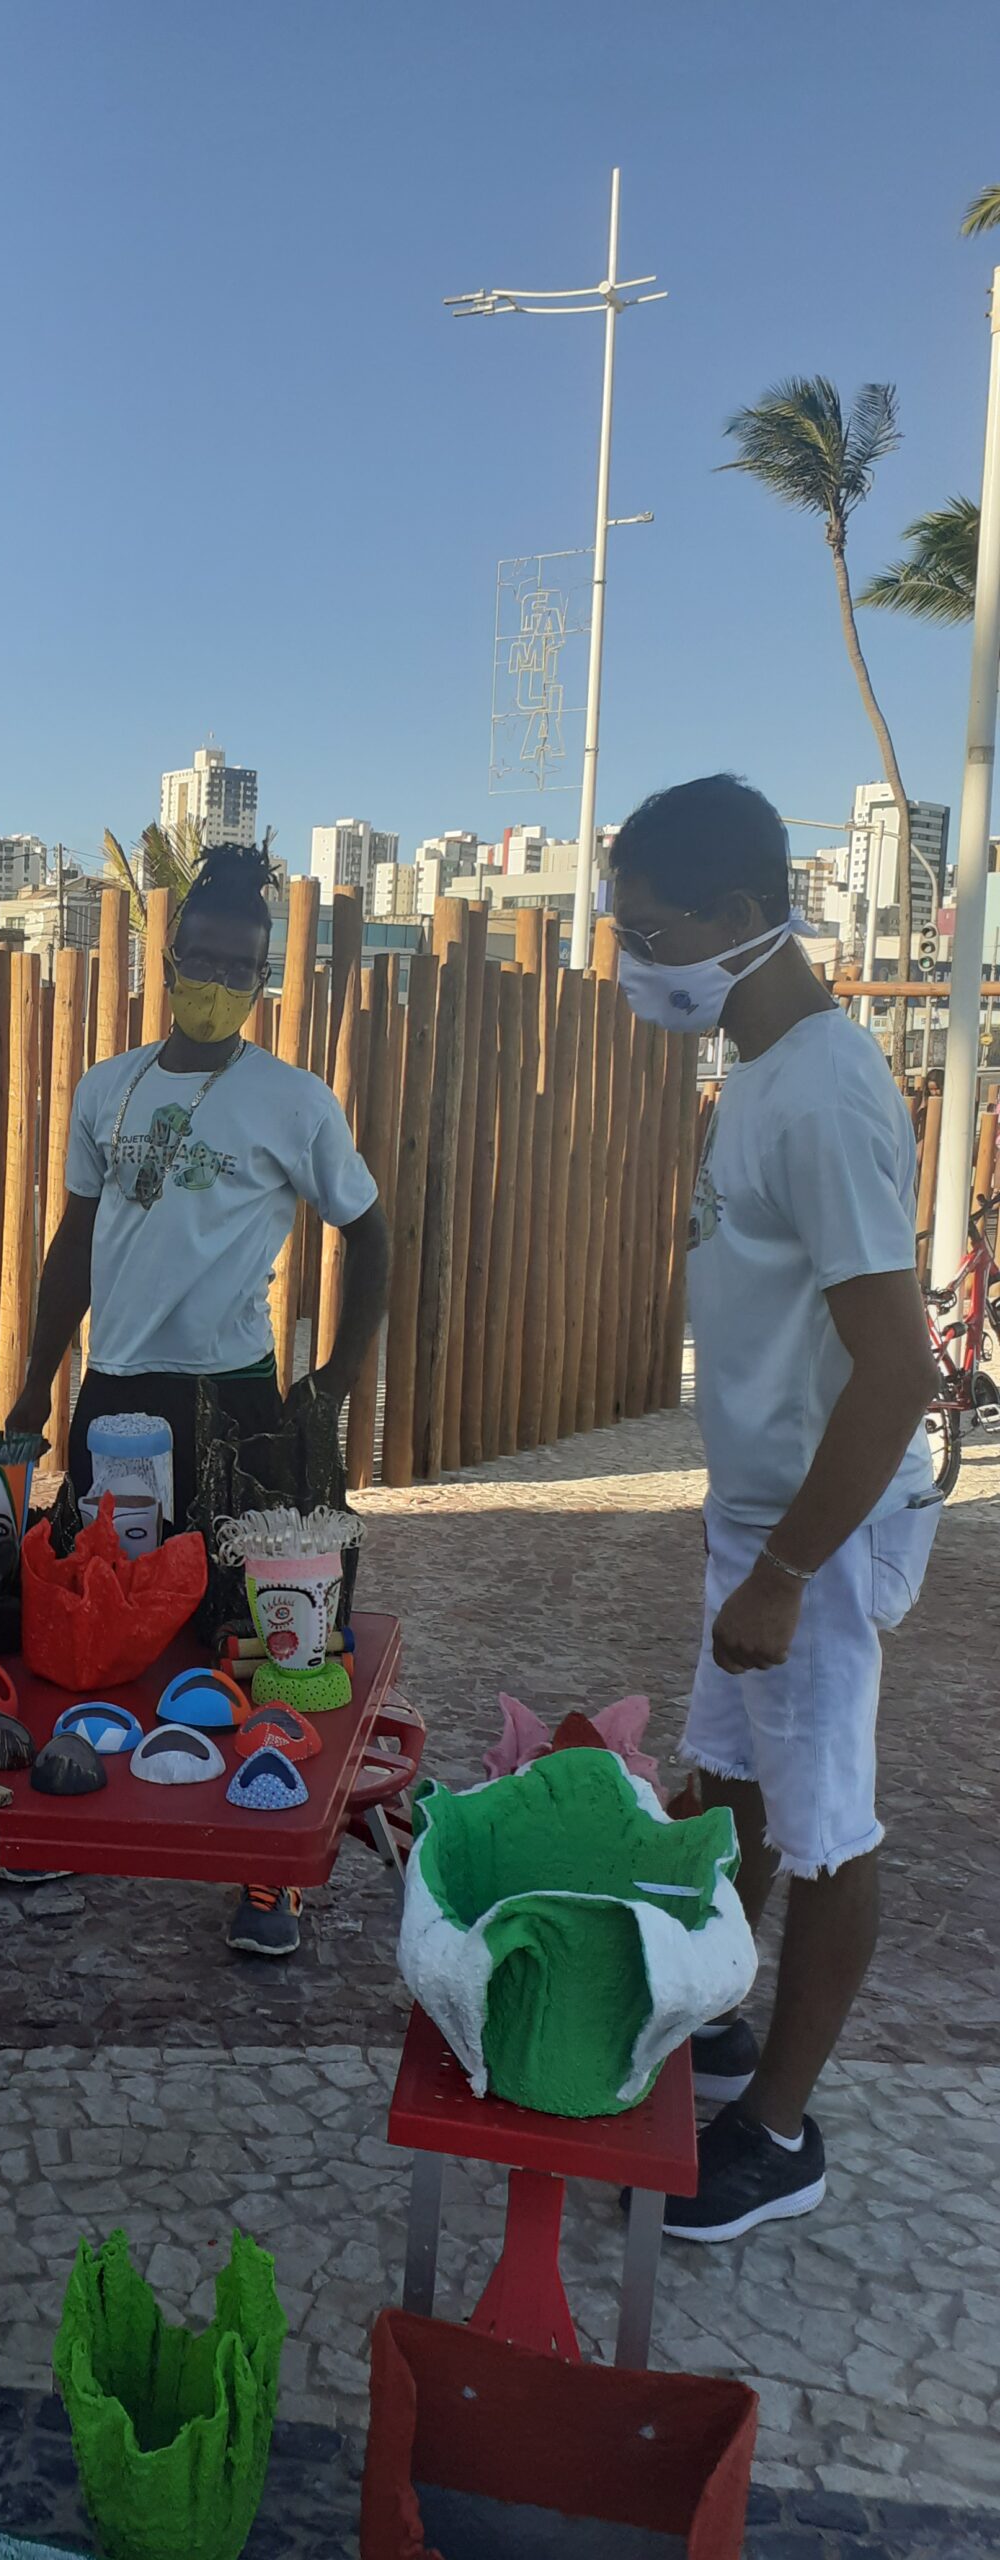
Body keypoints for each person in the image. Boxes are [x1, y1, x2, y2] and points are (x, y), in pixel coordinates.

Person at [609, 776, 940, 2240]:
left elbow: (902, 1365)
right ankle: (721, 2021)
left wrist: (792, 1569)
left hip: (819, 1527)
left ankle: (781, 2134)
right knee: (729, 1782)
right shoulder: (761, 1068)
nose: (637, 961)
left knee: (826, 1826)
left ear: (741, 919)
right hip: (760, 1515)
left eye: (653, 930)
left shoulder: (820, 1095)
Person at [4, 844, 391, 1958]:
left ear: (265, 974)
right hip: (113, 1389)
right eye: (202, 957)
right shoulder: (105, 1087)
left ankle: (261, 1868)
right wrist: (37, 1378)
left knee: (241, 1628)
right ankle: (73, 1798)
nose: (218, 978)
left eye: (242, 964)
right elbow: (72, 1243)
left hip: (231, 1400)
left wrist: (342, 1375)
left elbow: (371, 1233)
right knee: (96, 1608)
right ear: (166, 958)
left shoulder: (293, 1102)